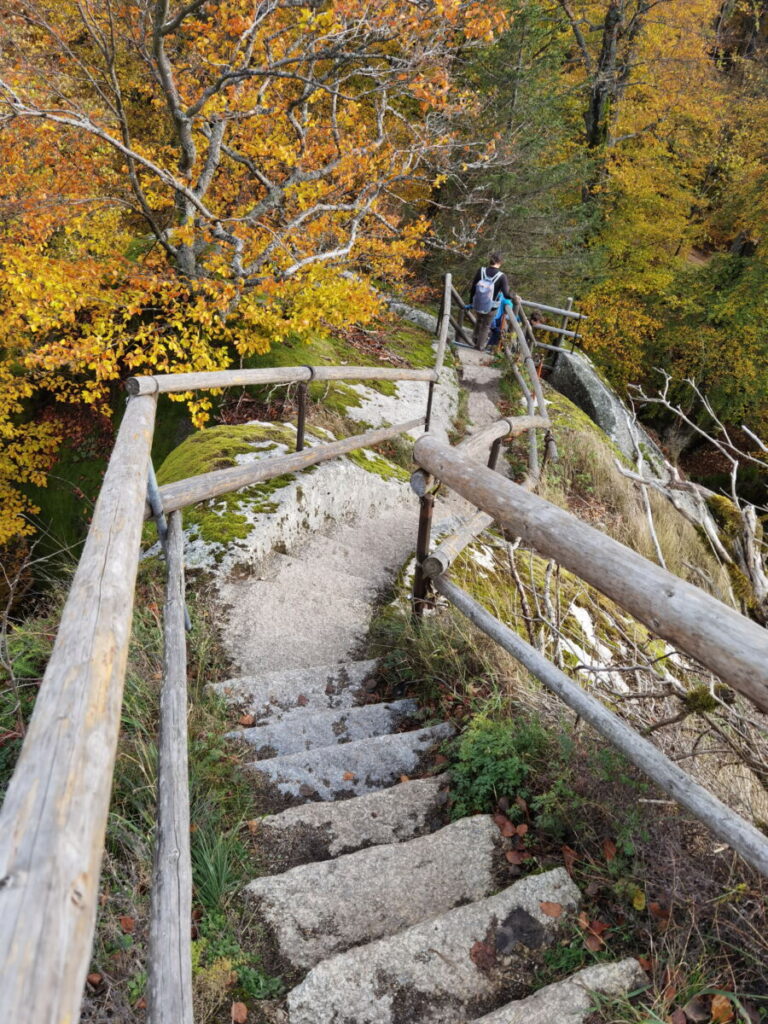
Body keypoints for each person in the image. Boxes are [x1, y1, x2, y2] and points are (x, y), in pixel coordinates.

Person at [466, 254, 517, 351]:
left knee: (479, 321)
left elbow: (473, 288)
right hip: (491, 306)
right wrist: (514, 296)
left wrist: (471, 302)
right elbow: (506, 294)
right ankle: (479, 346)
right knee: (486, 325)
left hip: (478, 303)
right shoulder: (502, 276)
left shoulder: (481, 271)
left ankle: (475, 339)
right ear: (500, 263)